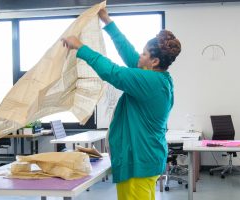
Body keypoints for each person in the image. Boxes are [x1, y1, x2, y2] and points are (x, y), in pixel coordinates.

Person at [62, 8, 181, 200]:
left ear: (155, 61)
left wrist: (80, 47)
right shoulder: (159, 78)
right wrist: (108, 22)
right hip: (146, 158)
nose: (139, 57)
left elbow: (112, 72)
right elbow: (130, 54)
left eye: (144, 54)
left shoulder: (149, 82)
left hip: (138, 162)